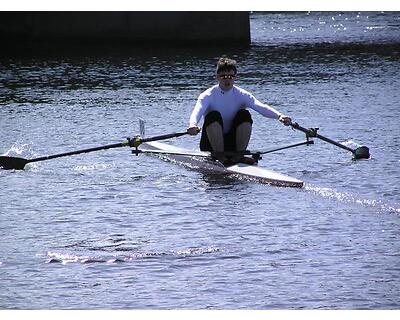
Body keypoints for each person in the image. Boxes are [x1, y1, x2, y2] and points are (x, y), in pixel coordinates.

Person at [187, 57, 292, 165]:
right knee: (213, 115)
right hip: (210, 145)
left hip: (234, 146)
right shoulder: (207, 95)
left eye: (230, 76)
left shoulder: (242, 95)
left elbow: (261, 107)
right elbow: (197, 111)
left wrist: (279, 116)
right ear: (217, 77)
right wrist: (193, 125)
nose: (227, 80)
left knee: (244, 114)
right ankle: (220, 157)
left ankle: (238, 156)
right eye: (223, 76)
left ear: (235, 77)